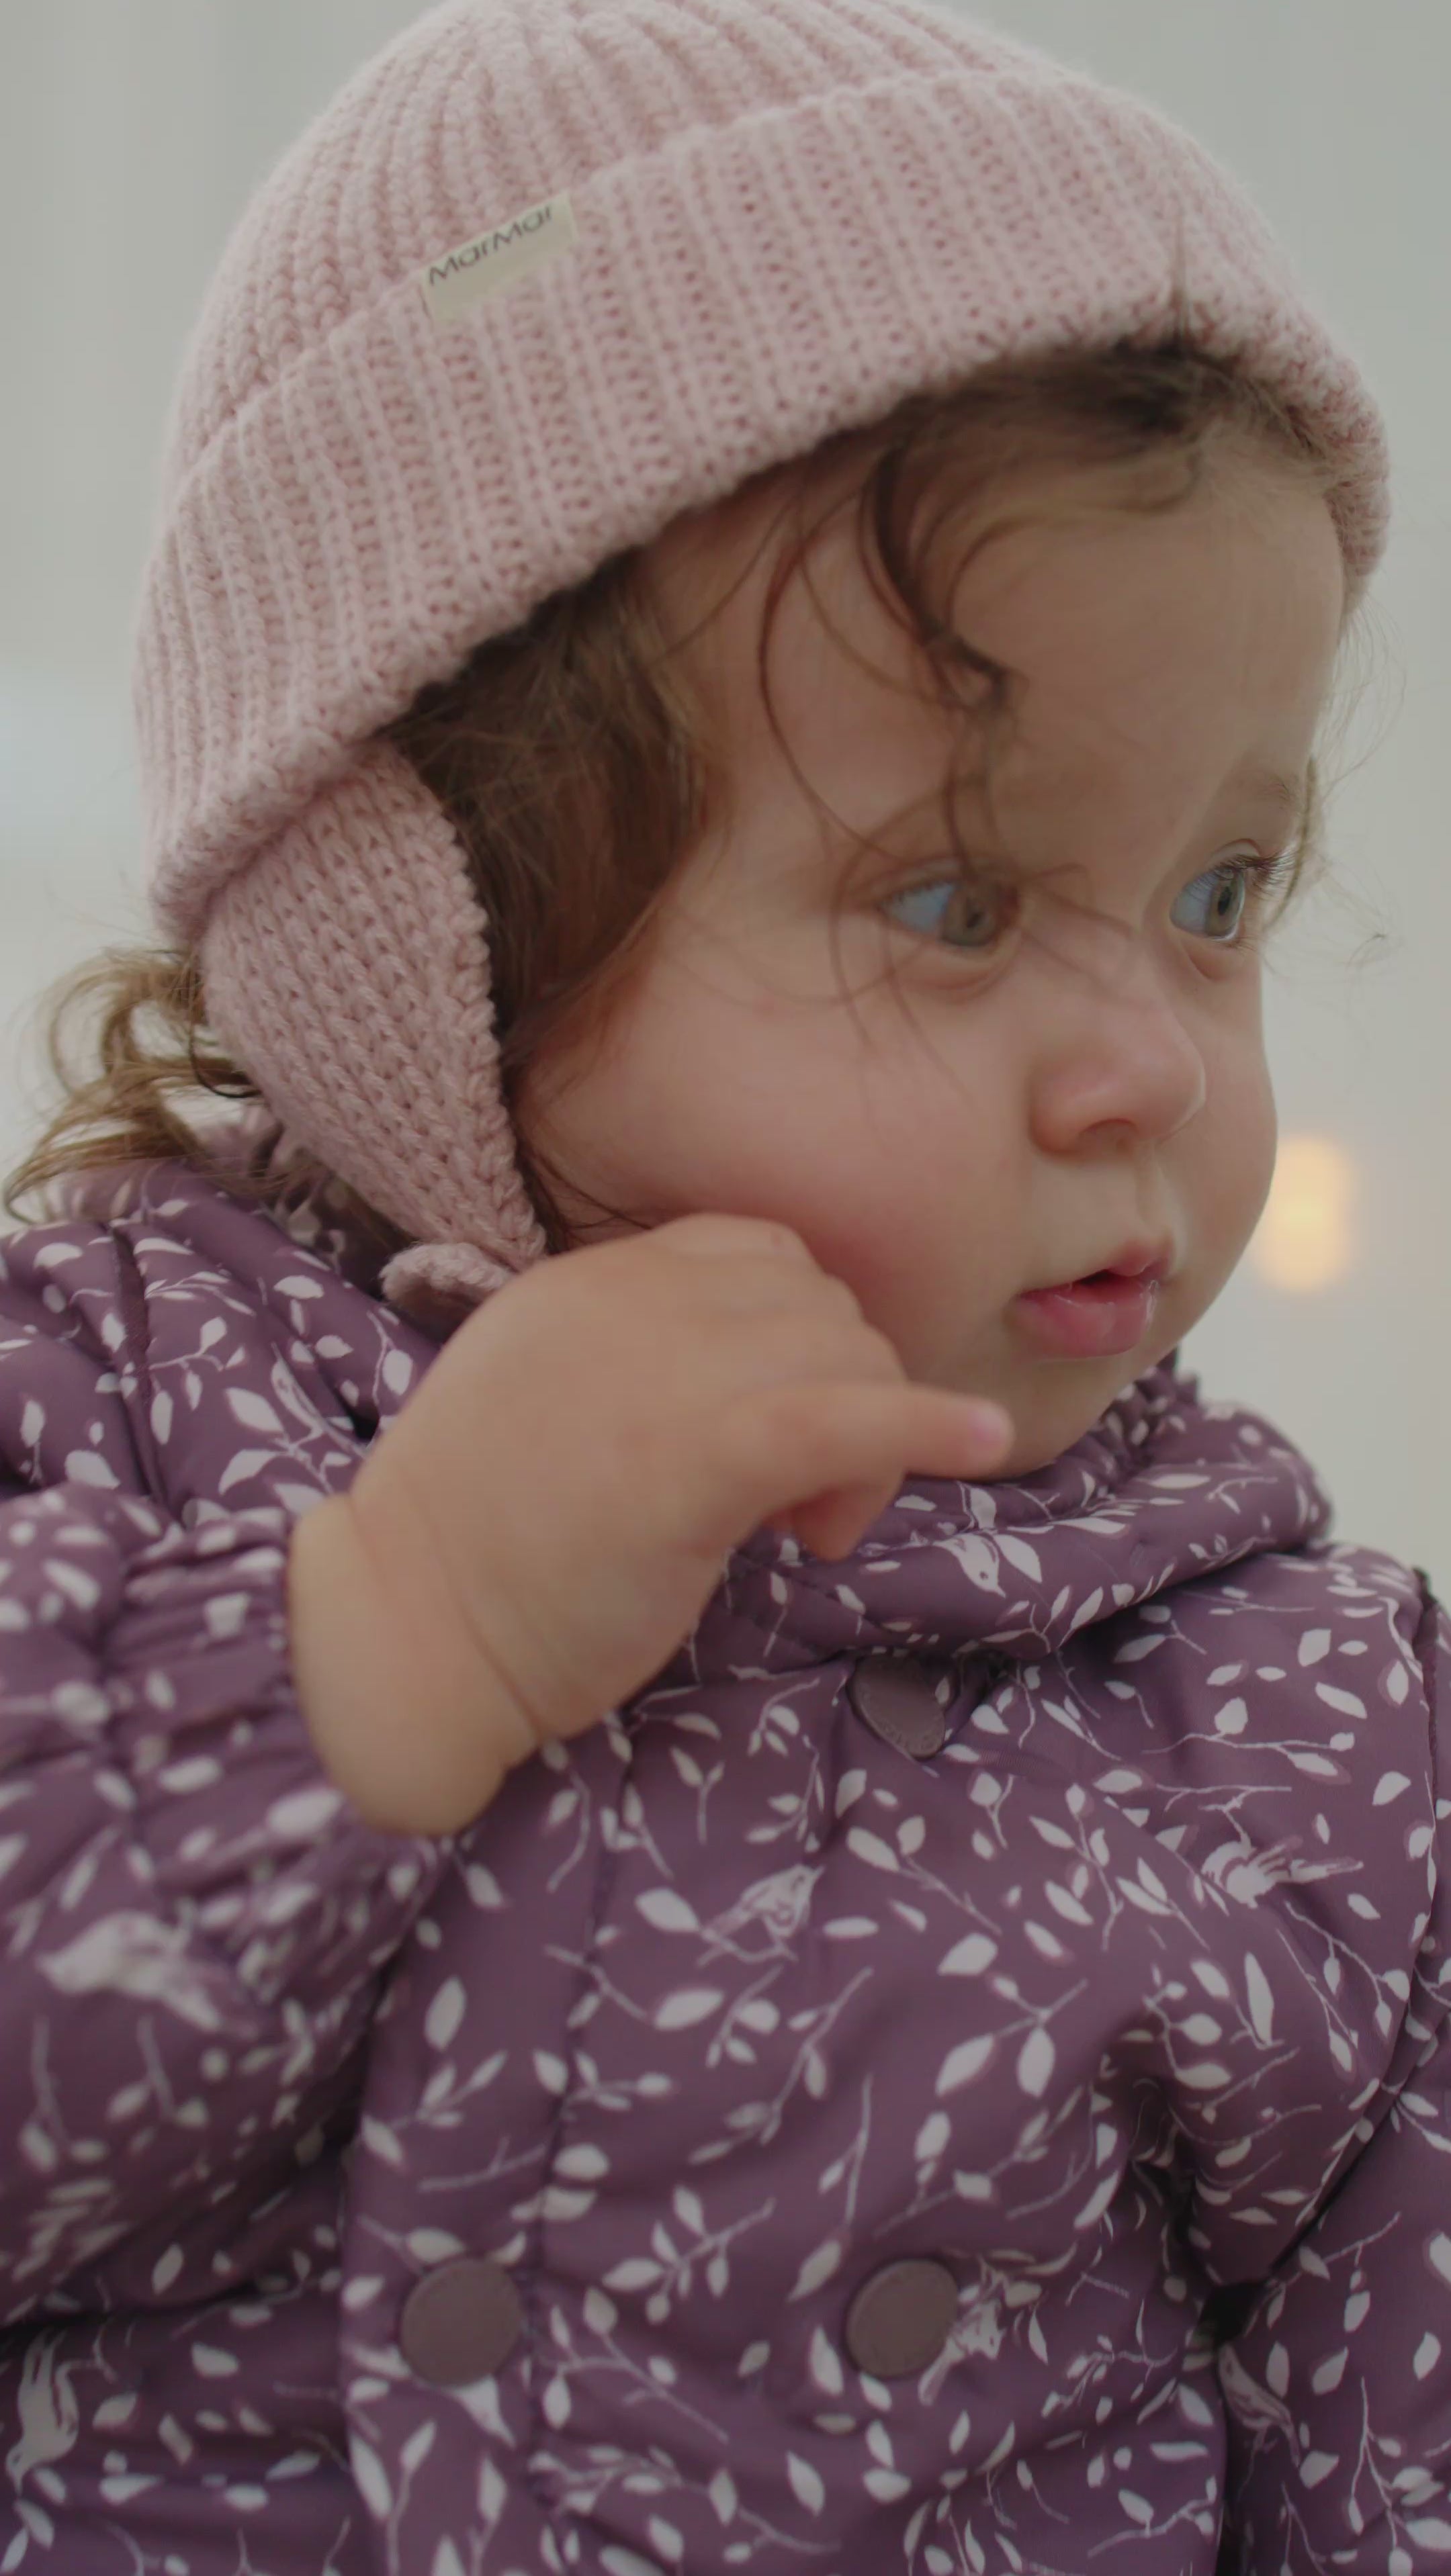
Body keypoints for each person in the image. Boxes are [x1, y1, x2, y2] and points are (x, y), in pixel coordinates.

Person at [0, 0, 1444, 2567]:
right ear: (426, 926)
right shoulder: (108, 1408)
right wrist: (389, 1628)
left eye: (1221, 890)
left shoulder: (1299, 1710)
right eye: (955, 898)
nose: (1150, 1060)